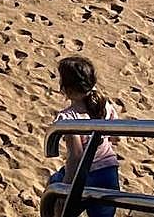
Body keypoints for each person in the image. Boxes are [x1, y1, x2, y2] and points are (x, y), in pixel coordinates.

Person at [49, 56, 121, 216]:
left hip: (86, 175)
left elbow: (76, 157)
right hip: (108, 173)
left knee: (54, 188)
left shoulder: (68, 119)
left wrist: (65, 189)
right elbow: (116, 137)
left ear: (66, 89)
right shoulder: (105, 105)